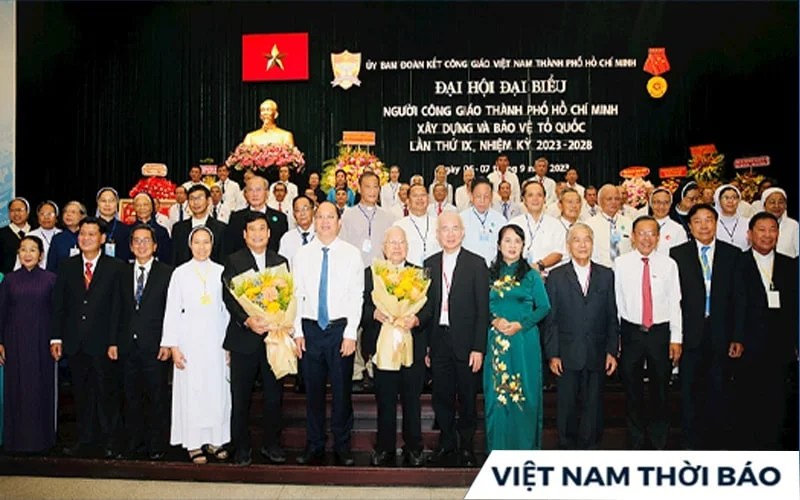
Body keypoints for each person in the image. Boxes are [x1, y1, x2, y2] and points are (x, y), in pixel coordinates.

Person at [293, 201, 364, 466]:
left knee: (342, 392)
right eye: (320, 217)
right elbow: (296, 294)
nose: (324, 222)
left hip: (339, 331)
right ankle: (315, 444)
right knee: (313, 393)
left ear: (339, 222)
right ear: (314, 221)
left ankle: (342, 446)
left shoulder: (351, 254)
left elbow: (356, 295)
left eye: (330, 217)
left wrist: (351, 333)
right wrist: (297, 331)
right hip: (310, 330)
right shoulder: (302, 255)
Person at [670, 204, 745, 450]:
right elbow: (672, 299)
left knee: (719, 389)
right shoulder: (677, 254)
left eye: (709, 220)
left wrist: (737, 336)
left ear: (715, 223)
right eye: (698, 221)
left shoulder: (732, 254)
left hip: (721, 334)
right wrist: (675, 336)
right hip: (690, 334)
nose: (704, 225)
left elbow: (739, 298)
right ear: (690, 227)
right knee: (689, 390)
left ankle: (717, 443)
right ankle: (691, 442)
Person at [51, 217, 124, 458]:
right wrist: (56, 338)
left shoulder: (116, 267)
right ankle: (84, 440)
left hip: (104, 343)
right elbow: (59, 305)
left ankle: (110, 441)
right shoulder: (67, 266)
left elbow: (118, 308)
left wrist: (114, 341)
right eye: (82, 234)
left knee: (106, 393)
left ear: (102, 239)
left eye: (92, 234)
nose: (86, 238)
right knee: (81, 394)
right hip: (75, 342)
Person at [222, 212, 289, 467]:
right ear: (245, 234)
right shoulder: (234, 260)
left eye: (262, 229)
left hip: (273, 338)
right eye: (253, 230)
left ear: (269, 233)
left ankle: (272, 444)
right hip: (244, 339)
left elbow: (287, 296)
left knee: (274, 396)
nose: (258, 234)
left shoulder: (280, 261)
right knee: (241, 397)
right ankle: (241, 447)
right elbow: (229, 297)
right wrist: (247, 320)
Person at [160, 225, 231, 464]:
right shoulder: (180, 273)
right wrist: (173, 347)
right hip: (188, 341)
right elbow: (171, 310)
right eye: (197, 242)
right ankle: (193, 443)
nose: (202, 247)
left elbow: (227, 312)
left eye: (206, 242)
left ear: (212, 245)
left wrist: (228, 345)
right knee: (192, 393)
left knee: (217, 392)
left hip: (216, 341)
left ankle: (216, 440)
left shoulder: (222, 271)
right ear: (190, 245)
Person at [544, 223, 618, 450]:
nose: (582, 244)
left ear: (593, 244)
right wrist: (553, 354)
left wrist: (612, 350)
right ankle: (567, 449)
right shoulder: (556, 276)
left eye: (587, 239)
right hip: (567, 353)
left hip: (597, 352)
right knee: (566, 407)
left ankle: (590, 450)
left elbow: (612, 315)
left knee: (593, 407)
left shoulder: (606, 275)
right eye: (576, 240)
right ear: (568, 245)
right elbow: (551, 319)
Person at [361, 226, 430, 467]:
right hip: (382, 348)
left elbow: (429, 308)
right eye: (392, 243)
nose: (397, 247)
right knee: (385, 401)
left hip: (412, 347)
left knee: (412, 401)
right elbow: (360, 306)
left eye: (401, 243)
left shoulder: (419, 274)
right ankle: (385, 448)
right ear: (384, 247)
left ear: (407, 247)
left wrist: (416, 319)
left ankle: (414, 447)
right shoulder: (372, 274)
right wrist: (374, 314)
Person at [424, 212, 489, 467]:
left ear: (462, 232)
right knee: (441, 395)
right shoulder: (429, 264)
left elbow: (483, 309)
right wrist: (427, 346)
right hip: (439, 339)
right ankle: (447, 442)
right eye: (444, 229)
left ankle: (467, 446)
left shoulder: (476, 264)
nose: (450, 234)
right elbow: (426, 308)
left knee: (467, 396)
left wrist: (478, 347)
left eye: (454, 229)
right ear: (437, 234)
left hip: (467, 342)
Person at [614, 216, 683, 450]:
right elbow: (617, 302)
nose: (646, 238)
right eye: (641, 233)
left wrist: (676, 338)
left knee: (660, 390)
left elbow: (675, 303)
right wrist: (617, 337)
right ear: (633, 237)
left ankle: (658, 441)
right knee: (632, 390)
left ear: (658, 237)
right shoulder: (621, 264)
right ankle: (635, 440)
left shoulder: (669, 264)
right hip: (631, 332)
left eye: (652, 233)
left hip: (660, 333)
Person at [109, 224, 174, 460]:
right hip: (127, 345)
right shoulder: (122, 272)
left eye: (146, 240)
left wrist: (168, 342)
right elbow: (115, 309)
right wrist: (113, 342)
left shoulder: (168, 273)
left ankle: (156, 445)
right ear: (130, 246)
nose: (141, 245)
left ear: (155, 246)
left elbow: (172, 312)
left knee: (157, 396)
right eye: (136, 241)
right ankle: (133, 443)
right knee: (130, 396)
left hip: (156, 346)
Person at [484, 224, 551, 451]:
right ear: (499, 245)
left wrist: (521, 324)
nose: (512, 246)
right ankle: (499, 452)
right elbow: (480, 305)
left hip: (524, 341)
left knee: (525, 396)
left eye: (517, 241)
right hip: (497, 343)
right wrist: (494, 320)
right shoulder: (489, 274)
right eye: (507, 240)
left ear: (523, 246)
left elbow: (544, 307)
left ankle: (525, 452)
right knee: (497, 398)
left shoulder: (531, 275)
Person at [736, 212, 798, 449]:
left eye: (772, 230)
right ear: (749, 234)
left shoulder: (790, 265)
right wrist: (735, 338)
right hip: (747, 345)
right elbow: (731, 304)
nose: (767, 235)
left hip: (781, 346)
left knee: (779, 400)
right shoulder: (737, 263)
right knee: (748, 400)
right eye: (761, 230)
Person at [0, 236, 57, 453]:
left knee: (40, 387)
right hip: (14, 341)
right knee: (17, 387)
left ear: (41, 255)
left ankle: (42, 441)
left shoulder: (51, 279)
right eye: (23, 249)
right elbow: (2, 311)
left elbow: (57, 312)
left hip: (42, 341)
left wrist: (56, 339)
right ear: (18, 254)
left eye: (33, 250)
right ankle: (16, 441)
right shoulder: (9, 280)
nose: (27, 254)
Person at [340, 171, 398, 266]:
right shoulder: (348, 216)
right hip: (355, 268)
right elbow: (342, 246)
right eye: (368, 187)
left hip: (381, 270)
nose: (372, 191)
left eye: (375, 187)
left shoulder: (388, 217)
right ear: (359, 189)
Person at [509, 180, 566, 273]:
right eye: (530, 195)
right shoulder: (513, 224)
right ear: (523, 200)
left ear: (544, 199)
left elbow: (559, 252)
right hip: (519, 275)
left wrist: (540, 265)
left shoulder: (556, 225)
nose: (535, 199)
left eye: (539, 195)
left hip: (548, 276)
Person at [225, 176, 288, 255]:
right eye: (250, 190)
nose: (254, 194)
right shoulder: (236, 218)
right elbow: (229, 249)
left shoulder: (280, 218)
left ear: (267, 193)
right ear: (245, 194)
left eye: (258, 190)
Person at [171, 184, 227, 266]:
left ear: (208, 200)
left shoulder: (221, 228)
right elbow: (174, 259)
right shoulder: (178, 228)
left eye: (200, 198)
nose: (196, 202)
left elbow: (223, 259)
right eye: (192, 199)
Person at [460, 177, 506, 266]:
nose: (482, 200)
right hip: (468, 267)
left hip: (493, 268)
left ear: (491, 197)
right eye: (478, 196)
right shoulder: (461, 219)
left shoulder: (501, 220)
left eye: (486, 196)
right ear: (471, 196)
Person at [586, 184, 633, 267]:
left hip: (625, 268)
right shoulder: (589, 225)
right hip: (600, 269)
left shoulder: (629, 223)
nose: (613, 202)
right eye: (609, 199)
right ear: (600, 202)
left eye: (617, 199)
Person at [394, 184, 441, 267]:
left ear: (428, 199)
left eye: (423, 195)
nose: (420, 198)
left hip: (435, 270)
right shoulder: (399, 226)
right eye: (415, 195)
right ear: (407, 201)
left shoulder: (438, 224)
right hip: (408, 272)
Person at [128, 193, 172, 264]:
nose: (142, 208)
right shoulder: (127, 231)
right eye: (138, 205)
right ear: (134, 208)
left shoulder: (162, 231)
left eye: (145, 205)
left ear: (152, 207)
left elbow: (166, 258)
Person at [46, 201, 87, 273]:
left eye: (73, 212)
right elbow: (51, 267)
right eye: (65, 212)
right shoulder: (57, 238)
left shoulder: (87, 236)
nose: (68, 214)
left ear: (82, 216)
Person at [95, 187, 131, 262]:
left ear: (117, 203)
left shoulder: (126, 229)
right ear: (98, 203)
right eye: (103, 201)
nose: (107, 204)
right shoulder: (90, 227)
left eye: (111, 201)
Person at [761, 187, 799, 257]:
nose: (776, 206)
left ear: (785, 205)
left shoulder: (794, 225)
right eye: (772, 202)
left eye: (781, 202)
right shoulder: (756, 225)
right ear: (764, 205)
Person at [649, 187, 688, 255]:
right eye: (657, 202)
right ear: (651, 204)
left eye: (666, 203)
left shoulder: (678, 229)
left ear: (670, 204)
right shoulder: (641, 226)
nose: (661, 206)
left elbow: (682, 255)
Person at [23, 201, 61, 269]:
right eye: (42, 214)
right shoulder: (30, 235)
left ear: (56, 217)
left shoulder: (62, 235)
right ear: (38, 217)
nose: (46, 217)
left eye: (50, 214)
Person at [278, 195, 316, 262]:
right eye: (298, 210)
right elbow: (282, 264)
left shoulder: (322, 235)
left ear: (313, 211)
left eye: (305, 209)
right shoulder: (287, 238)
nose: (302, 213)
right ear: (294, 214)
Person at [713, 184, 750, 250]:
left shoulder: (748, 223)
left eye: (734, 198)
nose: (730, 201)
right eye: (726, 198)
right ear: (719, 201)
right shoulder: (713, 223)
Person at [0, 198, 31, 273]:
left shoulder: (36, 232)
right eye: (12, 211)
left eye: (19, 210)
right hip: (7, 277)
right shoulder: (1, 233)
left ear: (27, 212)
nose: (16, 214)